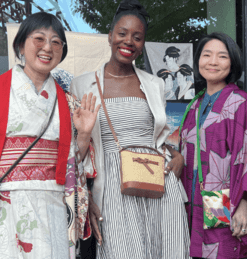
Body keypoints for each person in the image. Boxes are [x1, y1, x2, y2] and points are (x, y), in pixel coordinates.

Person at [0, 12, 99, 258]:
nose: (47, 48)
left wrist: (83, 135)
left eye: (56, 42)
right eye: (39, 38)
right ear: (21, 44)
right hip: (1, 206)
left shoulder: (69, 103)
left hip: (52, 207)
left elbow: (72, 167)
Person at [70, 0, 191, 258]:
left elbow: (158, 133)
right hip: (112, 184)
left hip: (158, 179)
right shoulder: (82, 85)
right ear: (110, 36)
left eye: (137, 37)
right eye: (122, 33)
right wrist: (87, 196)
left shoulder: (154, 83)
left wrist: (176, 154)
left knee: (167, 248)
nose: (129, 42)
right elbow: (76, 149)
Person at [179, 32, 247, 259]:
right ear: (198, 61)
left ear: (232, 62)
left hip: (221, 196)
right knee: (195, 250)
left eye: (222, 56)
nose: (213, 62)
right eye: (207, 55)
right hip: (192, 197)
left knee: (221, 248)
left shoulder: (239, 102)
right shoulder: (195, 103)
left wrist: (244, 202)